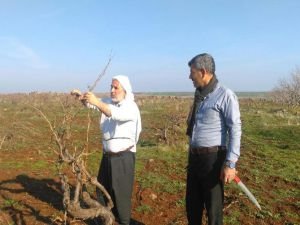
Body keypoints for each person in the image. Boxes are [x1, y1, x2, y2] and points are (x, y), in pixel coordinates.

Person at [72, 75, 141, 225]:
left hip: (123, 157)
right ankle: (107, 219)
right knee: (103, 191)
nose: (112, 90)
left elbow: (112, 113)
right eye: (111, 87)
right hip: (107, 156)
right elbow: (92, 104)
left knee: (120, 195)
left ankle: (123, 222)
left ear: (125, 90)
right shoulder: (109, 102)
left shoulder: (130, 106)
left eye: (116, 88)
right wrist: (82, 97)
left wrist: (96, 101)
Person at [185, 53, 242, 225]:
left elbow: (235, 129)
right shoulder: (200, 96)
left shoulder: (225, 95)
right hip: (194, 159)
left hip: (213, 160)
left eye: (192, 72)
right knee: (192, 206)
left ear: (202, 72)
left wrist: (230, 164)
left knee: (213, 211)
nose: (190, 77)